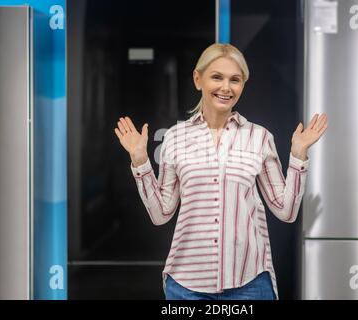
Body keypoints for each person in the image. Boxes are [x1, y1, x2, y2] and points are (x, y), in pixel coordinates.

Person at [114, 43, 328, 300]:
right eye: (217, 77)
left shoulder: (259, 137)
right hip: (186, 286)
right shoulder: (175, 137)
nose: (226, 87)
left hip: (250, 284)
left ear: (242, 85)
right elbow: (161, 214)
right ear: (198, 79)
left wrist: (298, 154)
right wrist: (140, 160)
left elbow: (286, 210)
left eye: (235, 80)